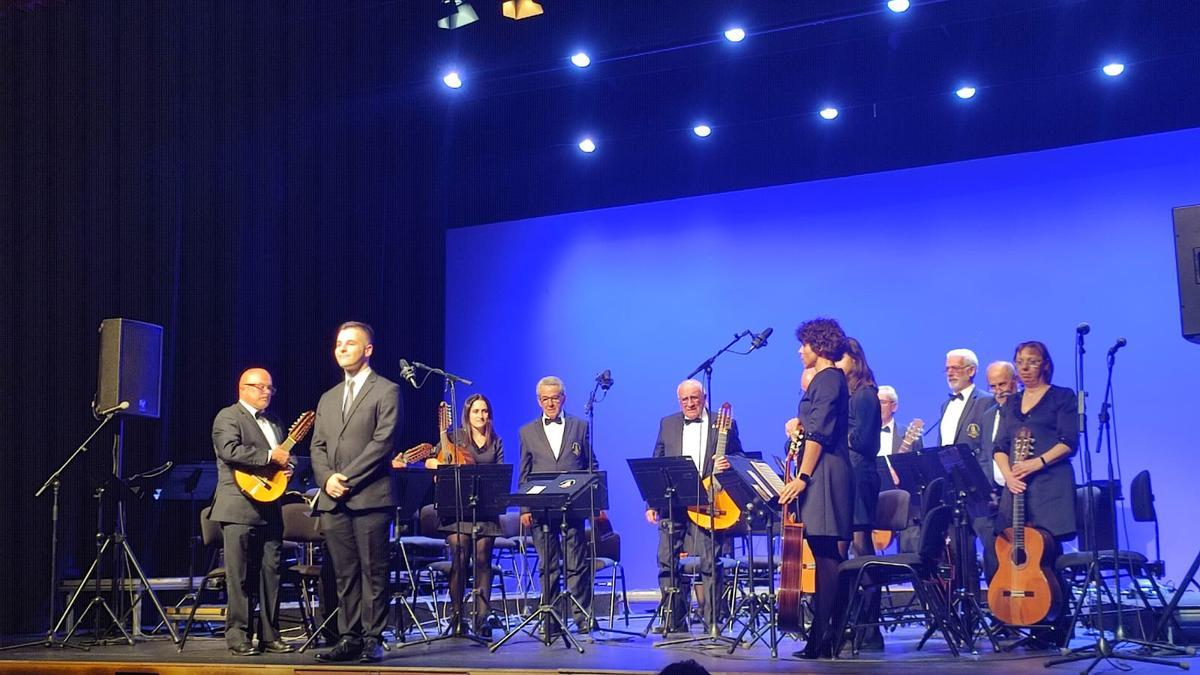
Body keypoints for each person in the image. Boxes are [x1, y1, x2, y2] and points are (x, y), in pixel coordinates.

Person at [310, 322, 403, 663]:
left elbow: (383, 443)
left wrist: (344, 477)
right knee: (345, 573)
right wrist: (326, 480)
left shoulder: (386, 391)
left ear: (368, 350)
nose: (342, 349)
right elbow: (317, 446)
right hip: (333, 499)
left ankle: (372, 637)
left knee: (373, 571)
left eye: (350, 343)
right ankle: (348, 637)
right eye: (338, 344)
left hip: (369, 497)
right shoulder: (328, 397)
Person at [397, 394, 505, 637]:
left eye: (485, 411)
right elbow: (429, 461)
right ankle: (457, 618)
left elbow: (499, 474)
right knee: (460, 552)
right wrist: (436, 464)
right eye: (476, 411)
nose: (481, 415)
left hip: (485, 511)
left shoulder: (496, 442)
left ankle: (482, 619)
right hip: (456, 510)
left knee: (482, 558)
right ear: (467, 414)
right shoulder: (454, 437)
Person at [778, 318, 854, 659]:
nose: (799, 350)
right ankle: (823, 638)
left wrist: (803, 477)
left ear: (819, 346)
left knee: (826, 558)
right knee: (825, 556)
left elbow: (819, 434)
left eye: (804, 344)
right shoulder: (828, 380)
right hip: (822, 472)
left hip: (824, 475)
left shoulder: (827, 380)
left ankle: (824, 638)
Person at [645, 379, 744, 633]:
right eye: (685, 399)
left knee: (710, 561)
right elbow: (656, 464)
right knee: (666, 561)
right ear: (679, 401)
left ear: (704, 398)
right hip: (673, 504)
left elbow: (739, 457)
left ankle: (712, 620)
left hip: (707, 502)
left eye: (694, 398)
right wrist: (652, 503)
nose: (690, 404)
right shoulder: (667, 424)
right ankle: (673, 619)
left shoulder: (723, 425)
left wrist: (728, 463)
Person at [210, 368, 295, 656]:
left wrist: (286, 469)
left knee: (271, 572)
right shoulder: (228, 416)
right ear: (242, 388)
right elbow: (229, 450)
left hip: (271, 506)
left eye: (270, 388)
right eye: (259, 387)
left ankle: (270, 635)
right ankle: (238, 635)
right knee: (241, 576)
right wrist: (271, 456)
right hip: (238, 506)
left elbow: (279, 462)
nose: (265, 392)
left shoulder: (275, 422)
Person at [992, 342, 1077, 599]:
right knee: (1009, 550)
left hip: (1050, 487)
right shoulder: (1011, 403)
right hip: (1016, 490)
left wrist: (1036, 462)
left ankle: (1055, 625)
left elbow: (1069, 442)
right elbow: (999, 446)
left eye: (1032, 361)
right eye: (1020, 362)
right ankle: (1020, 618)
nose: (1025, 368)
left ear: (1045, 365)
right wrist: (1008, 476)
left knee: (1048, 556)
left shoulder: (1061, 397)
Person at [518, 376, 599, 635]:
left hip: (573, 506)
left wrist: (592, 501)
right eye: (545, 399)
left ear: (563, 398)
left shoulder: (580, 426)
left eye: (554, 397)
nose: (550, 403)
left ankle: (582, 617)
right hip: (541, 509)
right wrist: (524, 509)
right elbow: (524, 473)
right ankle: (550, 619)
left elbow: (591, 465)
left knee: (576, 563)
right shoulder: (527, 432)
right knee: (548, 565)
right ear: (538, 401)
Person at [935, 347, 995, 596]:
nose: (950, 373)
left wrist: (986, 485)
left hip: (978, 488)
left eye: (955, 368)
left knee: (991, 548)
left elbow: (987, 447)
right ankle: (967, 609)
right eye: (947, 368)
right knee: (960, 552)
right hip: (953, 490)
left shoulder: (985, 401)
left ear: (971, 371)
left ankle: (1000, 609)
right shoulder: (945, 405)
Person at [977, 361, 1019, 583]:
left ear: (1015, 381)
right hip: (994, 494)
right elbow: (985, 454)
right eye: (992, 386)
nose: (998, 391)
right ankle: (998, 606)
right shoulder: (988, 415)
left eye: (1002, 384)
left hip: (1020, 491)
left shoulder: (1024, 409)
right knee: (993, 550)